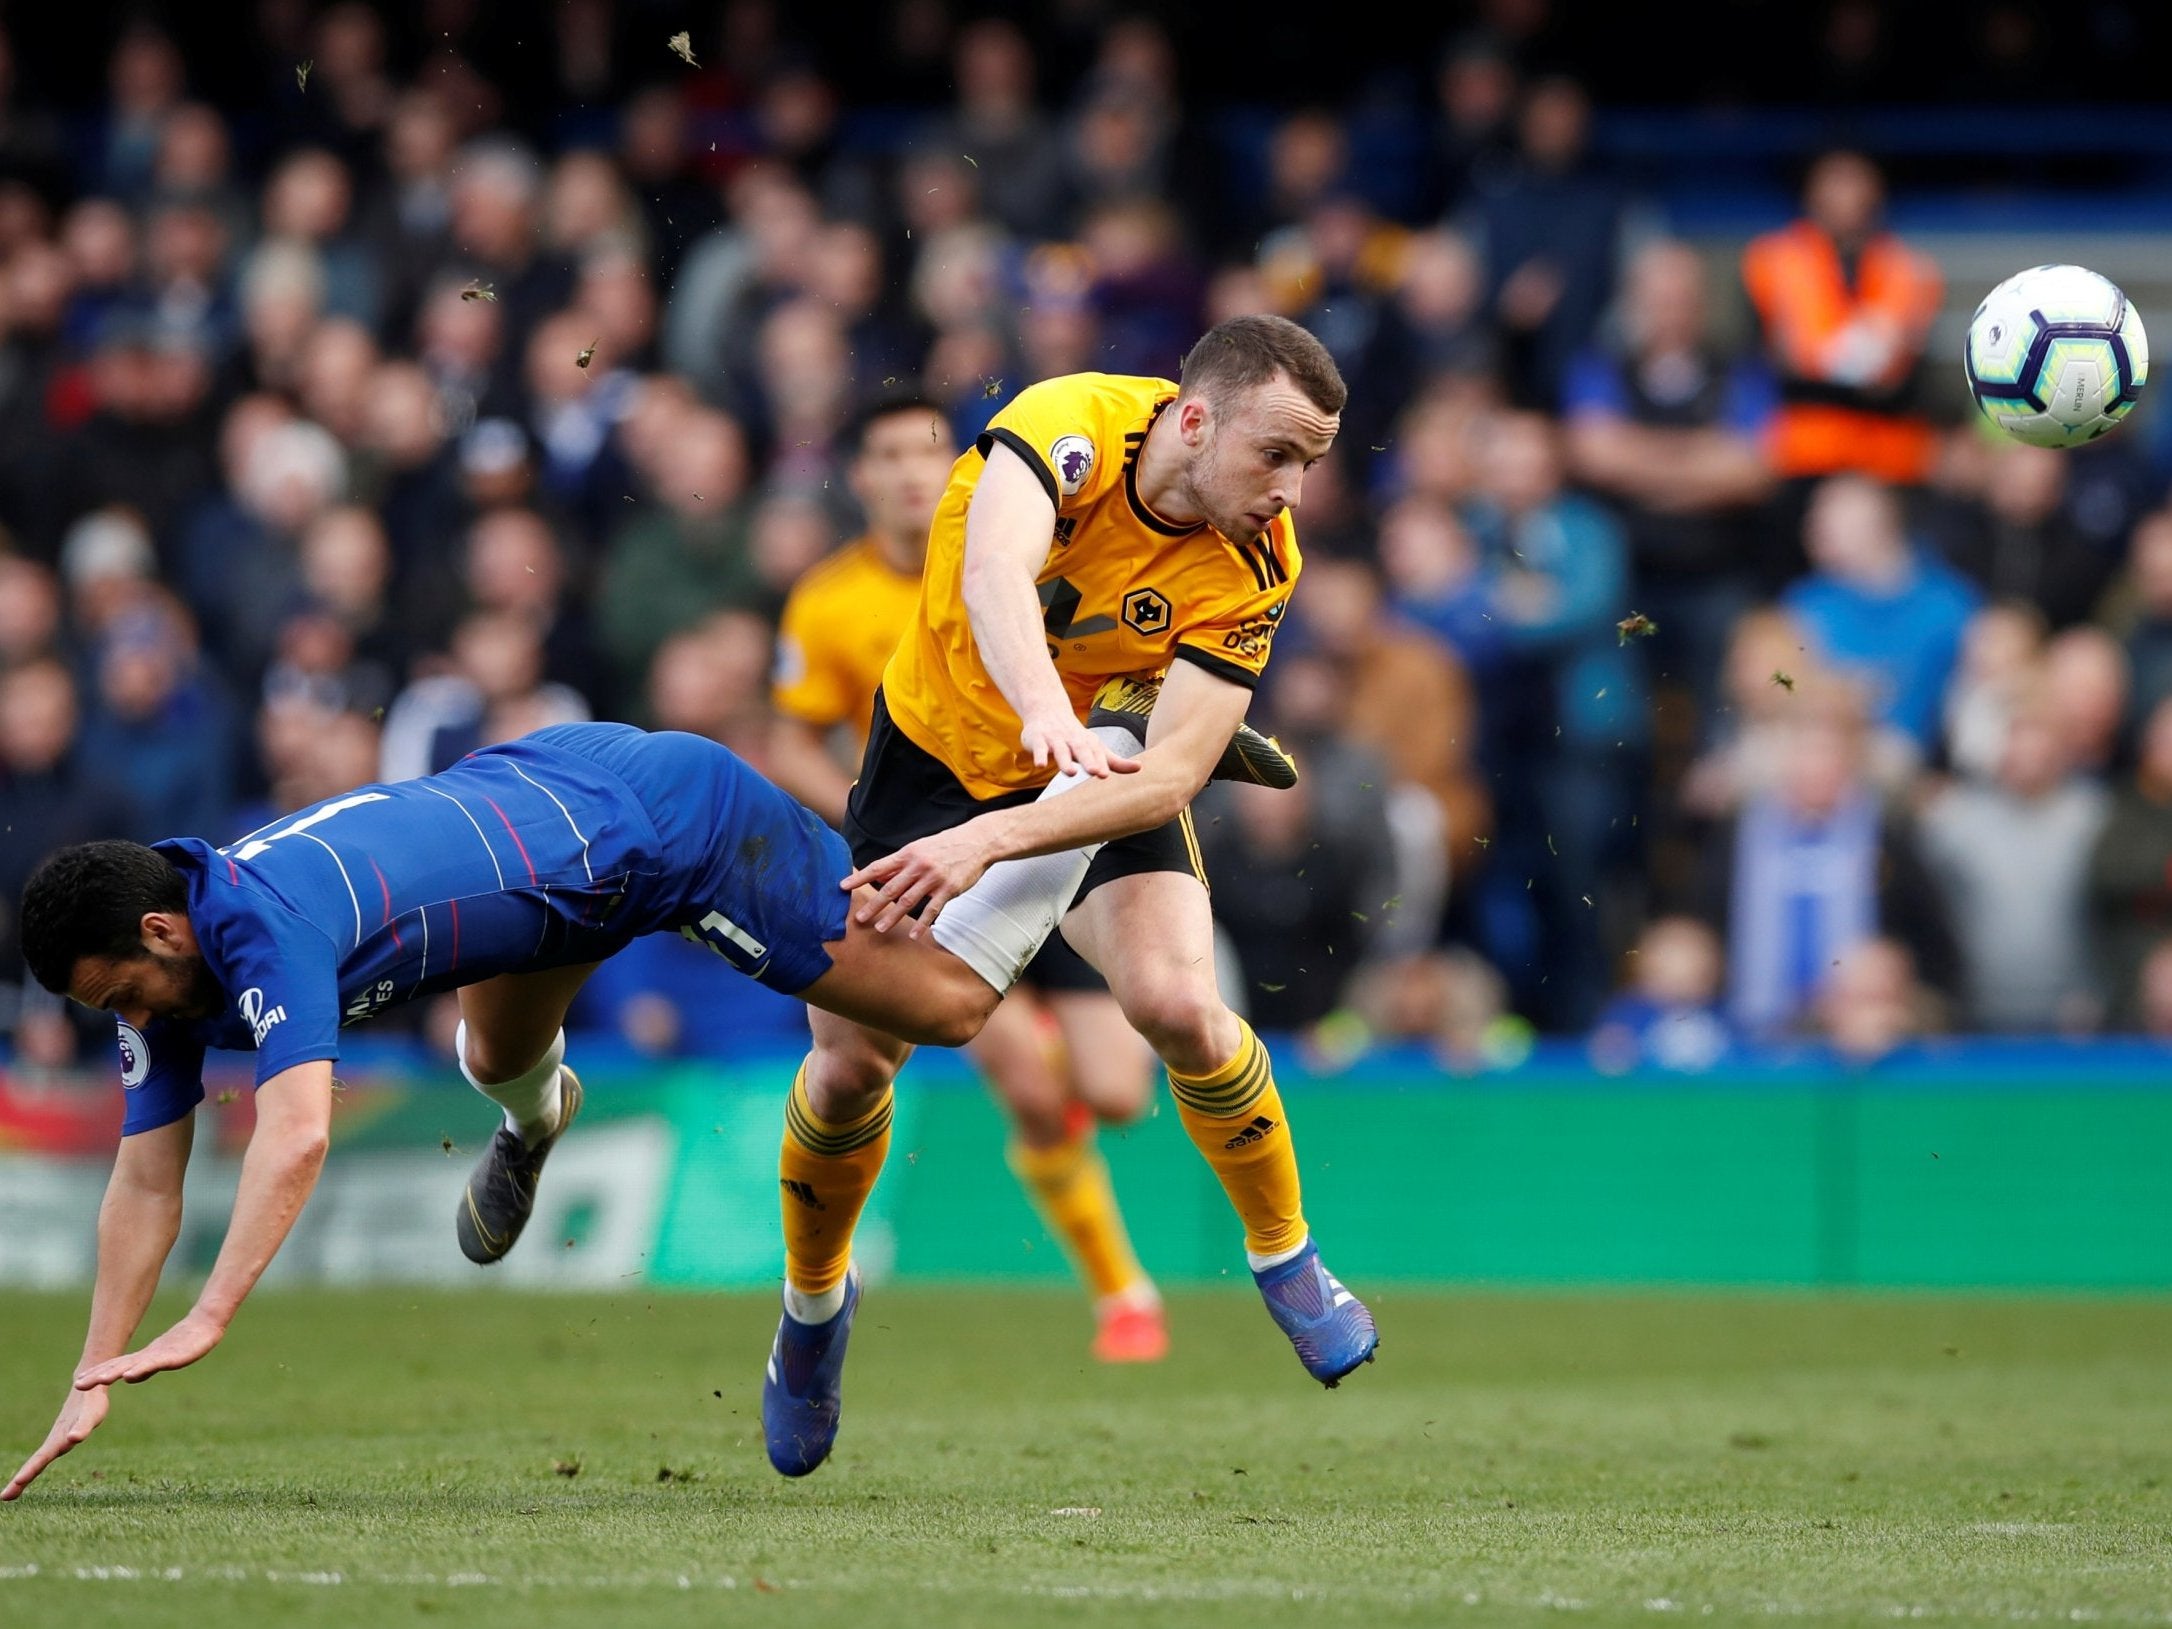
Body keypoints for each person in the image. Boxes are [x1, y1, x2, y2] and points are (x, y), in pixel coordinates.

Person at [1, 703, 1277, 1501]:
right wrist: (91, 1372)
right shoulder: (168, 962)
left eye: (124, 994)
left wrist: (211, 1315)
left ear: (164, 929)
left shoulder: (259, 932)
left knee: (945, 1006)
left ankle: (1104, 764)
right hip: (546, 812)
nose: (130, 1024)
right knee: (494, 1054)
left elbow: (299, 1132)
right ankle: (536, 1118)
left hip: (667, 828)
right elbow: (146, 1174)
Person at [765, 314, 1378, 1479]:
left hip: (1088, 781)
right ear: (1195, 420)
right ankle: (809, 1317)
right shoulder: (1070, 424)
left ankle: (1286, 1255)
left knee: (1179, 1007)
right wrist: (1042, 715)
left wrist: (1016, 817)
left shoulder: (1261, 558)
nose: (1292, 491)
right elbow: (998, 571)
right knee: (849, 1071)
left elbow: (1174, 778)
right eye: (1277, 455)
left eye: (1313, 464)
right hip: (932, 765)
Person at [770, 394, 1168, 1363]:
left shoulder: (1025, 544)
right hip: (928, 848)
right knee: (1028, 1092)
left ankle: (1039, 1038)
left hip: (1050, 829)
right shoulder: (828, 601)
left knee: (1117, 1094)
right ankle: (1123, 1294)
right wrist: (860, 802)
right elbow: (789, 736)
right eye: (888, 454)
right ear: (859, 478)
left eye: (926, 452)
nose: (911, 472)